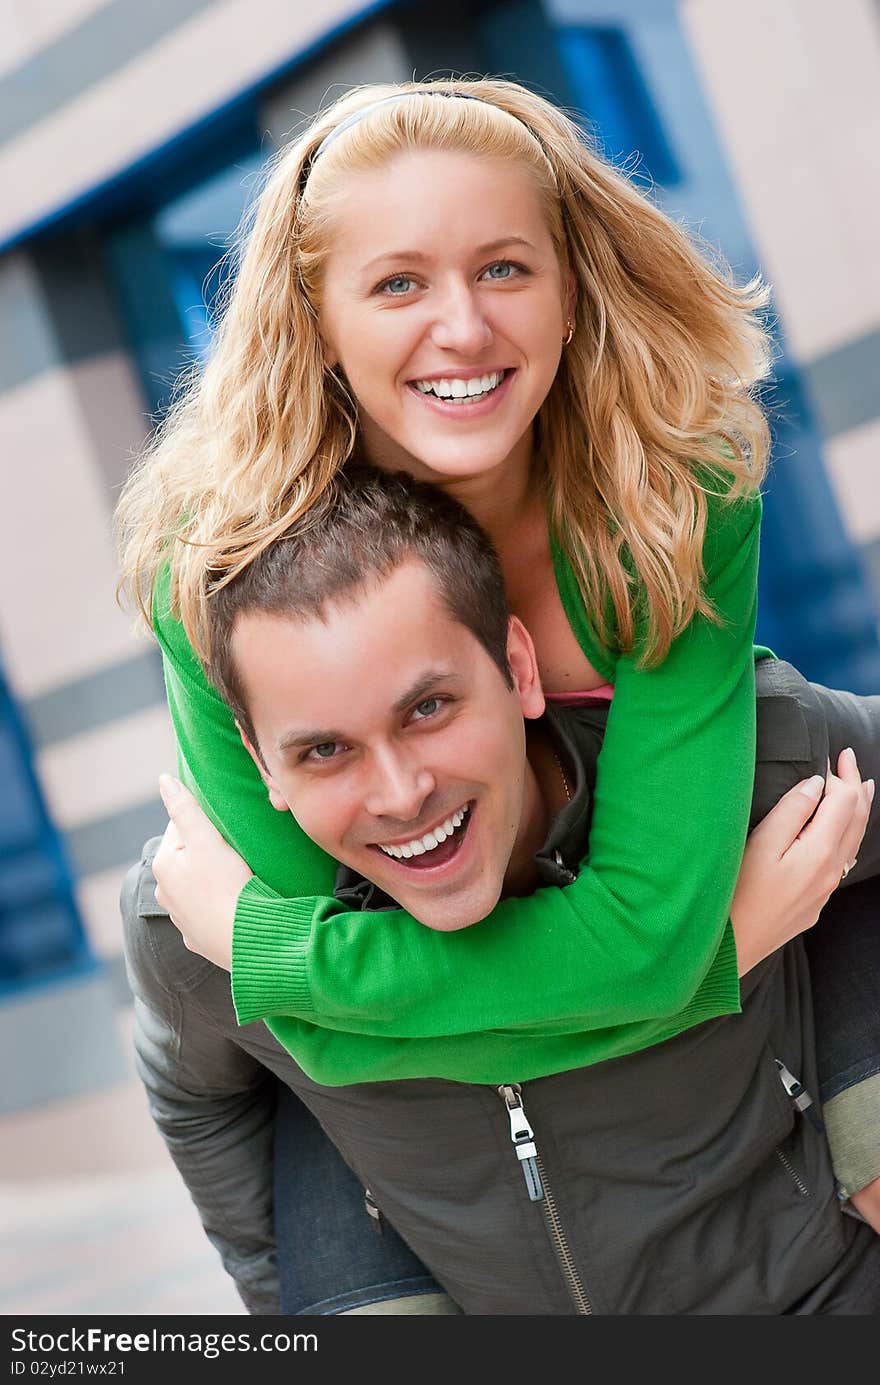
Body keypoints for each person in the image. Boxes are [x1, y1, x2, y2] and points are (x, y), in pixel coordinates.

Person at [115, 78, 879, 1302]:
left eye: (505, 269)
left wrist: (273, 948)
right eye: (399, 282)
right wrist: (723, 946)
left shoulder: (672, 489)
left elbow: (631, 929)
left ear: (571, 290)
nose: (463, 329)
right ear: (317, 319)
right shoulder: (212, 567)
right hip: (416, 1128)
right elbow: (330, 1036)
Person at [127, 466, 880, 1314]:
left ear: (520, 666)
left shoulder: (746, 771)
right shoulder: (200, 925)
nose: (401, 792)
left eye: (428, 709)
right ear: (261, 764)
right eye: (325, 751)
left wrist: (860, 1084)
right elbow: (201, 1101)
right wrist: (304, 1299)